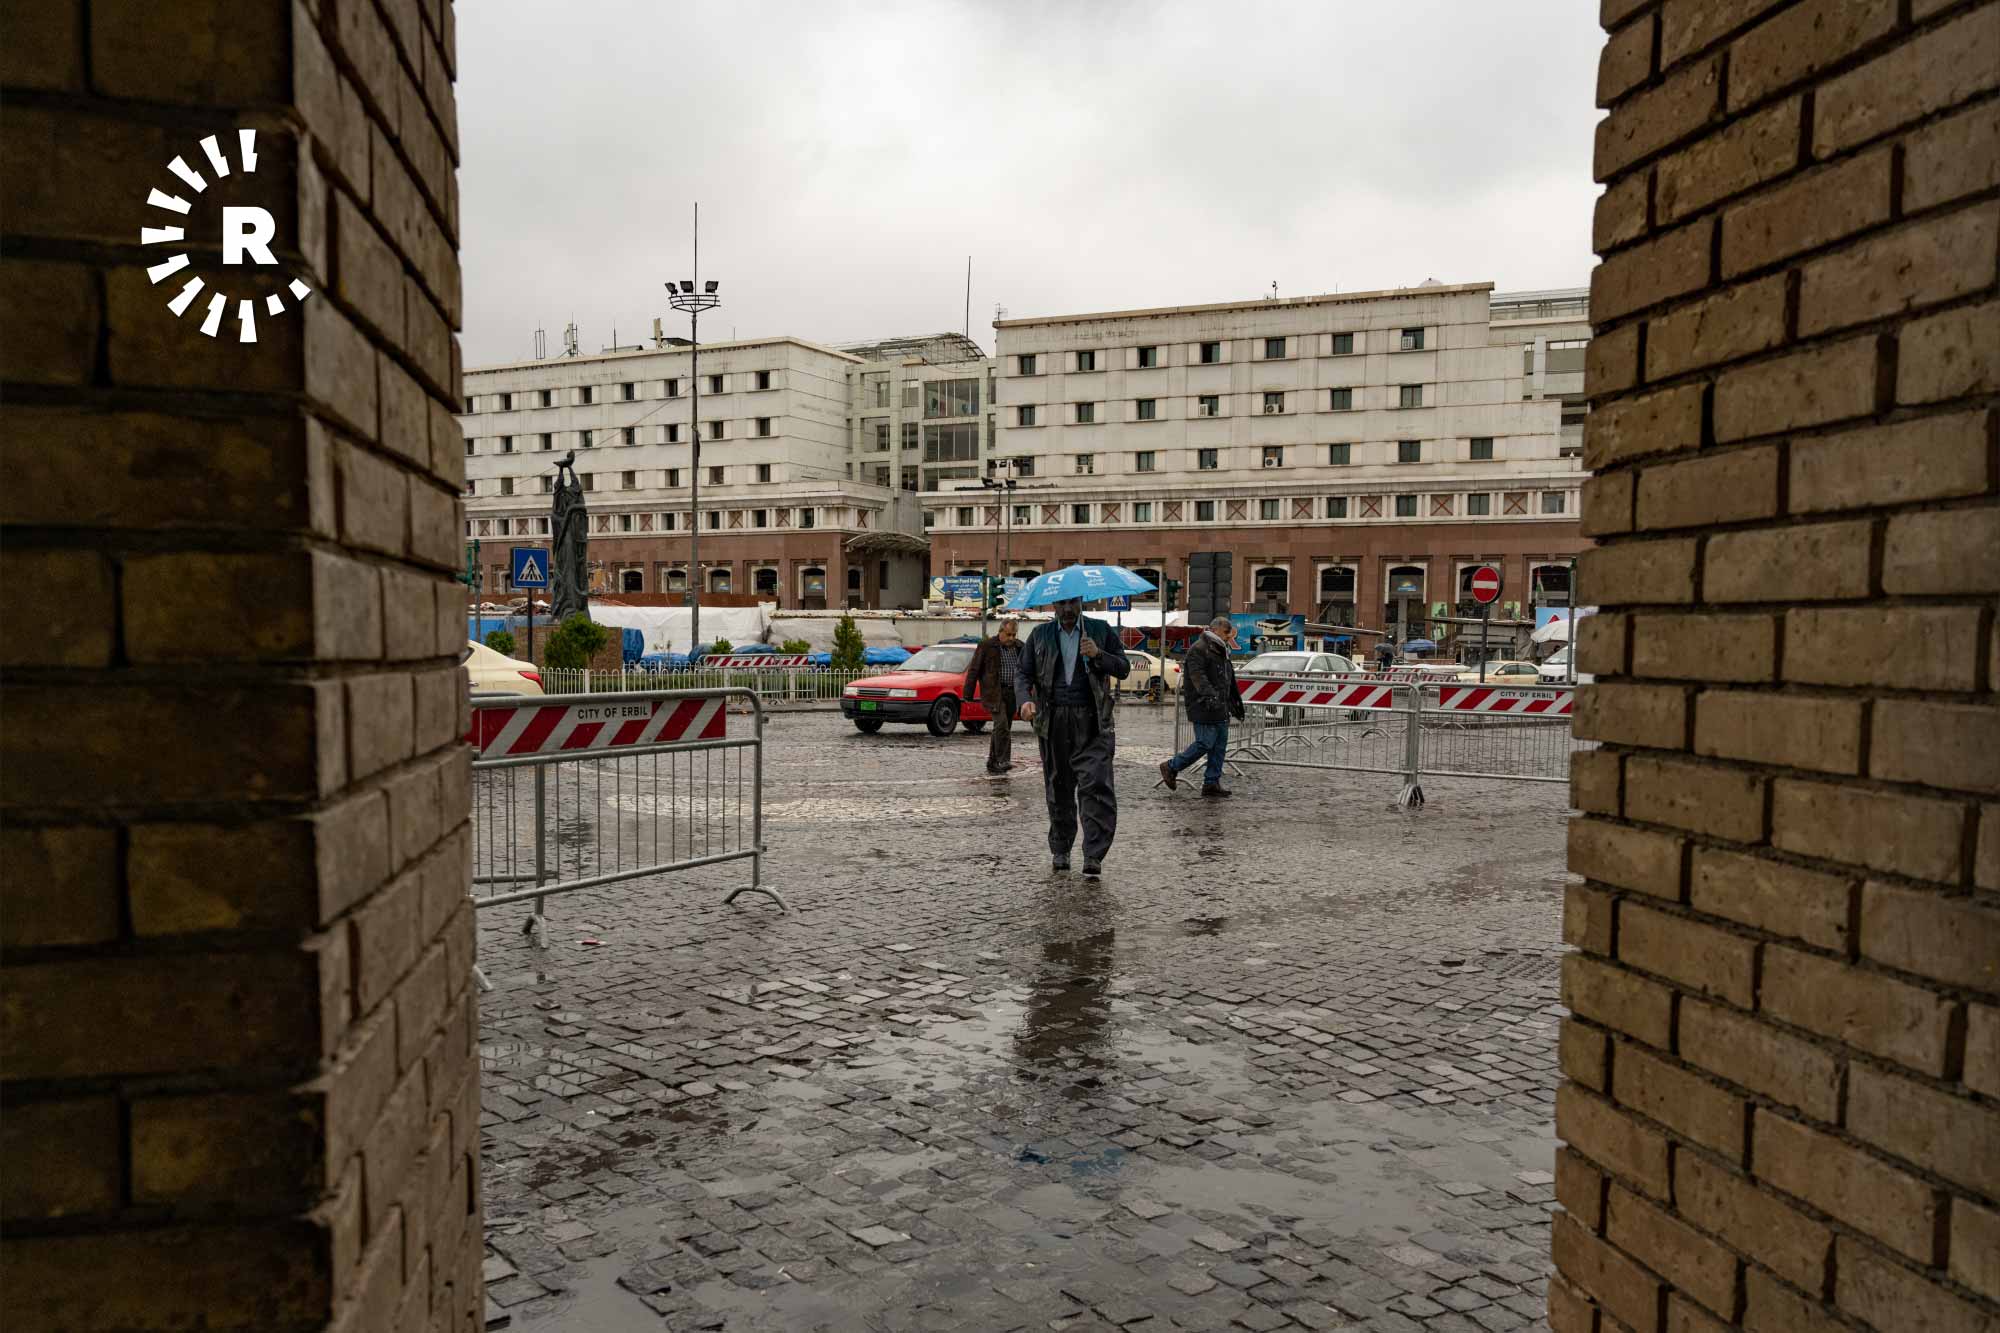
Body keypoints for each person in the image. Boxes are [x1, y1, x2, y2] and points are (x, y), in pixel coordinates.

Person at [1015, 597, 1130, 878]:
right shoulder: (1040, 635)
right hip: (1054, 721)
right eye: (1061, 604)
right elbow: (1023, 673)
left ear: (1081, 602)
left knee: (1096, 785)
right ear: (1053, 606)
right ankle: (1061, 848)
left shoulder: (1100, 630)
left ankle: (1093, 854)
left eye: (1072, 603)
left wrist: (1098, 654)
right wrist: (1024, 700)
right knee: (1058, 787)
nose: (1067, 609)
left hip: (1093, 721)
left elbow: (1123, 668)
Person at [1160, 617, 1245, 797]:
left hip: (1219, 705)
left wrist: (1234, 702)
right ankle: (1171, 766)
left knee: (1219, 746)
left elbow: (1228, 680)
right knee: (1205, 743)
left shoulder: (1221, 650)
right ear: (1214, 630)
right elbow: (1198, 677)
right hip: (1204, 705)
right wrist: (1211, 696)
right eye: (1226, 633)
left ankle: (1211, 783)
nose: (1229, 636)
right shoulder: (1199, 649)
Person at [963, 618, 1023, 774]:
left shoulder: (1019, 647)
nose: (1011, 638)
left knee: (1002, 727)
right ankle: (1003, 760)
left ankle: (993, 761)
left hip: (1012, 693)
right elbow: (974, 670)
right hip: (994, 693)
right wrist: (968, 693)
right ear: (1000, 632)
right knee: (1002, 725)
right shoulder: (987, 646)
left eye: (1014, 635)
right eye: (1008, 634)